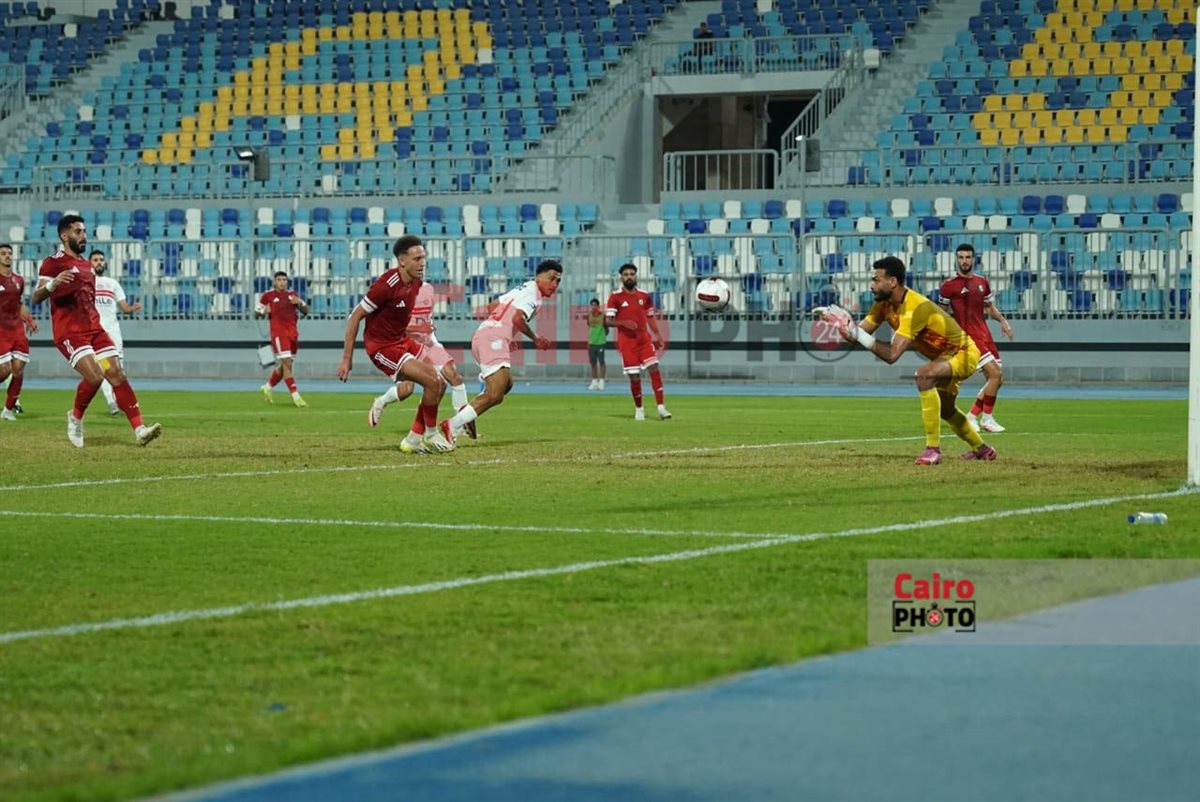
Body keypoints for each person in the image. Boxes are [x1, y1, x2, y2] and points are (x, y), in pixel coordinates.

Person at [821, 256, 996, 465]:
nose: (871, 285)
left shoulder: (915, 308)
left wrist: (856, 334)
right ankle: (983, 449)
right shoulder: (883, 305)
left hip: (964, 353)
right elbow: (860, 334)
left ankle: (933, 450)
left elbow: (892, 355)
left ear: (892, 282)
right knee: (946, 410)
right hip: (943, 357)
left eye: (876, 280)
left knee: (924, 376)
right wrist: (845, 327)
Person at [30, 214, 162, 448]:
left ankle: (140, 429)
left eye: (84, 231)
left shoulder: (86, 266)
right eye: (77, 232)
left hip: (95, 329)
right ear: (64, 235)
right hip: (70, 332)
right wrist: (54, 283)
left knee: (117, 374)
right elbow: (36, 297)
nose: (83, 236)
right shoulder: (52, 262)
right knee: (95, 376)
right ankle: (75, 417)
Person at [337, 235, 454, 454]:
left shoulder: (417, 283)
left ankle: (413, 439)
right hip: (382, 348)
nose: (422, 263)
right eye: (417, 258)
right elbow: (355, 317)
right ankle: (429, 433)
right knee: (430, 381)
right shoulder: (385, 285)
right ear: (402, 261)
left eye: (423, 258)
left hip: (403, 340)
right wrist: (346, 359)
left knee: (440, 383)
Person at [441, 260, 562, 438]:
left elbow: (491, 306)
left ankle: (466, 414)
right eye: (552, 278)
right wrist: (536, 338)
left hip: (485, 334)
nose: (554, 284)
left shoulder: (523, 288)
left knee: (507, 384)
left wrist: (503, 335)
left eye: (558, 281)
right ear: (538, 276)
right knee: (495, 394)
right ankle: (453, 425)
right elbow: (518, 319)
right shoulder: (534, 296)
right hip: (493, 338)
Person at [367, 278, 476, 440]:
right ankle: (381, 402)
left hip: (429, 343)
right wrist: (419, 328)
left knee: (454, 377)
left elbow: (426, 317)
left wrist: (428, 327)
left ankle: (458, 425)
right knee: (406, 390)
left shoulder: (428, 289)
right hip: (406, 345)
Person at [938, 243, 1015, 433]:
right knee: (995, 375)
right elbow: (941, 314)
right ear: (957, 259)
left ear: (974, 259)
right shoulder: (949, 286)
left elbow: (988, 307)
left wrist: (1003, 321)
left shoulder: (982, 282)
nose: (964, 261)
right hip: (969, 338)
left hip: (985, 334)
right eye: (961, 257)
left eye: (968, 257)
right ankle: (987, 419)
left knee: (997, 379)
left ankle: (972, 416)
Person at [606, 263, 671, 421]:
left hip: (644, 340)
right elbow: (608, 321)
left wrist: (658, 335)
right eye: (626, 274)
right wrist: (622, 323)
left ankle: (661, 407)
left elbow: (650, 317)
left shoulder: (644, 296)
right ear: (621, 277)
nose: (629, 277)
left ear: (636, 276)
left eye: (632, 274)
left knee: (654, 368)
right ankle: (639, 409)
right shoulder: (615, 297)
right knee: (634, 376)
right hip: (627, 343)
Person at [90, 249, 144, 416]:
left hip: (113, 333)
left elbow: (124, 308)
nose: (99, 262)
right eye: (95, 260)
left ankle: (120, 400)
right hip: (95, 334)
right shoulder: (86, 283)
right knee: (102, 368)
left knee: (118, 369)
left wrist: (132, 308)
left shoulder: (112, 283)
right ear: (89, 263)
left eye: (101, 260)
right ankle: (111, 401)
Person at [256, 270, 310, 407]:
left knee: (285, 365)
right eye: (279, 280)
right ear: (274, 281)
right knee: (287, 364)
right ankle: (296, 396)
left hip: (293, 334)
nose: (282, 282)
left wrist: (301, 304)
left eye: (284, 280)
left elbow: (305, 311)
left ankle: (267, 387)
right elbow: (256, 313)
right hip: (279, 334)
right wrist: (263, 311)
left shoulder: (293, 295)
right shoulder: (267, 296)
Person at [0, 242, 37, 421]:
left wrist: (28, 320)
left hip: (17, 330)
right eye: (3, 253)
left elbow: (19, 304)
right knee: (4, 369)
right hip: (1, 331)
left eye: (9, 253)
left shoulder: (18, 280)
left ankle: (7, 411)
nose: (7, 256)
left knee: (18, 370)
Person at [586, 298, 607, 390]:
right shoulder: (589, 316)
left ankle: (601, 381)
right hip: (592, 343)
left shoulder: (603, 316)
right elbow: (589, 327)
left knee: (601, 362)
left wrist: (601, 336)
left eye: (595, 305)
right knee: (593, 363)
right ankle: (594, 381)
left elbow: (606, 329)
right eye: (592, 305)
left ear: (598, 306)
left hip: (600, 342)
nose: (593, 307)